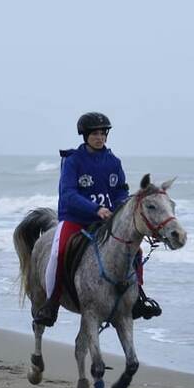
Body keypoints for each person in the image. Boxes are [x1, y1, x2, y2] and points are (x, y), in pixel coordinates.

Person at [34, 112, 162, 326]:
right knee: (58, 252)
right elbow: (68, 194)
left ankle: (138, 297)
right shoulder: (72, 160)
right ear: (85, 136)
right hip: (75, 218)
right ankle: (52, 302)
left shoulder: (113, 162)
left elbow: (120, 191)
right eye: (95, 133)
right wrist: (96, 209)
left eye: (103, 133)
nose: (100, 137)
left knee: (135, 250)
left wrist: (122, 206)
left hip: (106, 221)